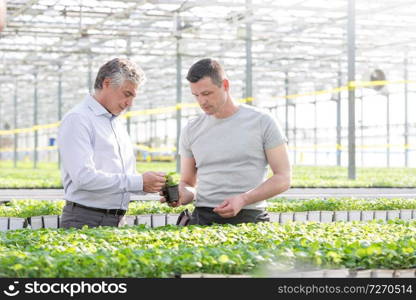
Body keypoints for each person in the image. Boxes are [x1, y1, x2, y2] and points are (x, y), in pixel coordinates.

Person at [161, 58, 291, 225]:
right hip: (202, 218)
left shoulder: (262, 122)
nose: (202, 101)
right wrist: (181, 194)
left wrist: (244, 199)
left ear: (225, 85)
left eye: (207, 93)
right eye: (196, 95)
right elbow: (188, 183)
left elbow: (283, 178)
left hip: (250, 217)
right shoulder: (191, 129)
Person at [58, 58, 166, 229]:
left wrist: (151, 184)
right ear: (107, 83)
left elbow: (125, 176)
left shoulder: (115, 122)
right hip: (85, 218)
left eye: (133, 96)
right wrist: (139, 182)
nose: (130, 103)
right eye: (127, 94)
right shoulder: (78, 119)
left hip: (117, 219)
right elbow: (83, 177)